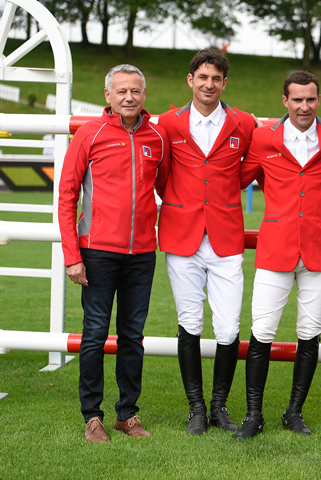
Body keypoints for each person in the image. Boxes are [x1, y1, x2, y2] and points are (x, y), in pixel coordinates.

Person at [233, 71, 321, 439]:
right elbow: (236, 179)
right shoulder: (264, 137)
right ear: (284, 101)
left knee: (309, 332)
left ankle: (294, 412)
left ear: (319, 100)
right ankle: (254, 414)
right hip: (276, 247)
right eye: (297, 99)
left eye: (311, 99)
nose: (304, 106)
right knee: (261, 332)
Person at [58, 64, 168, 443]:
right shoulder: (90, 133)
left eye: (135, 90)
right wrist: (72, 255)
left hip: (141, 254)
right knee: (93, 335)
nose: (128, 97)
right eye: (121, 91)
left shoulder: (157, 136)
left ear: (143, 93)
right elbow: (67, 195)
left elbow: (169, 189)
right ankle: (93, 416)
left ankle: (128, 415)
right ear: (108, 96)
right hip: (97, 252)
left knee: (132, 337)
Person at [157, 48, 256, 435]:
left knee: (229, 326)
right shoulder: (168, 123)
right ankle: (196, 407)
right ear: (190, 80)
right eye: (203, 78)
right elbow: (161, 175)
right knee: (190, 322)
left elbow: (247, 171)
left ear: (224, 82)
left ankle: (219, 406)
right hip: (182, 235)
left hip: (226, 237)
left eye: (216, 78)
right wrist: (185, 202)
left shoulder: (244, 123)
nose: (209, 85)